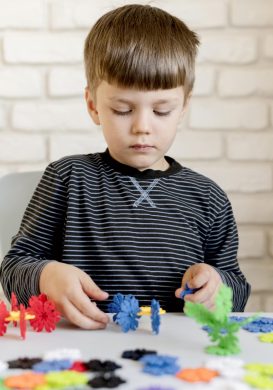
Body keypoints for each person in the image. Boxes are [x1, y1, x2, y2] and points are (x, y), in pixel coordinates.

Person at [0, 4, 250, 330]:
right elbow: (14, 268)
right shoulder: (68, 179)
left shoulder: (208, 196)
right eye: (122, 109)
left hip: (177, 357)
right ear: (93, 105)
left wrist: (216, 285)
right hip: (83, 350)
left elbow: (238, 288)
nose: (142, 127)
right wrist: (46, 276)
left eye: (161, 111)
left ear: (184, 106)